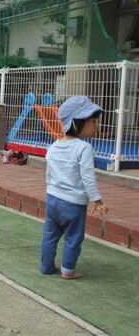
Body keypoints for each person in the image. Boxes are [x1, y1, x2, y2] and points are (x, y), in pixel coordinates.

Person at [40, 96, 109, 279]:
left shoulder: (53, 146)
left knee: (50, 235)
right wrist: (96, 199)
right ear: (77, 122)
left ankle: (46, 267)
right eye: (92, 121)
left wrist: (51, 191)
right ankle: (68, 271)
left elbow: (50, 174)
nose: (96, 126)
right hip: (73, 204)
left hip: (53, 200)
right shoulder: (83, 147)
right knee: (73, 237)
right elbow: (88, 177)